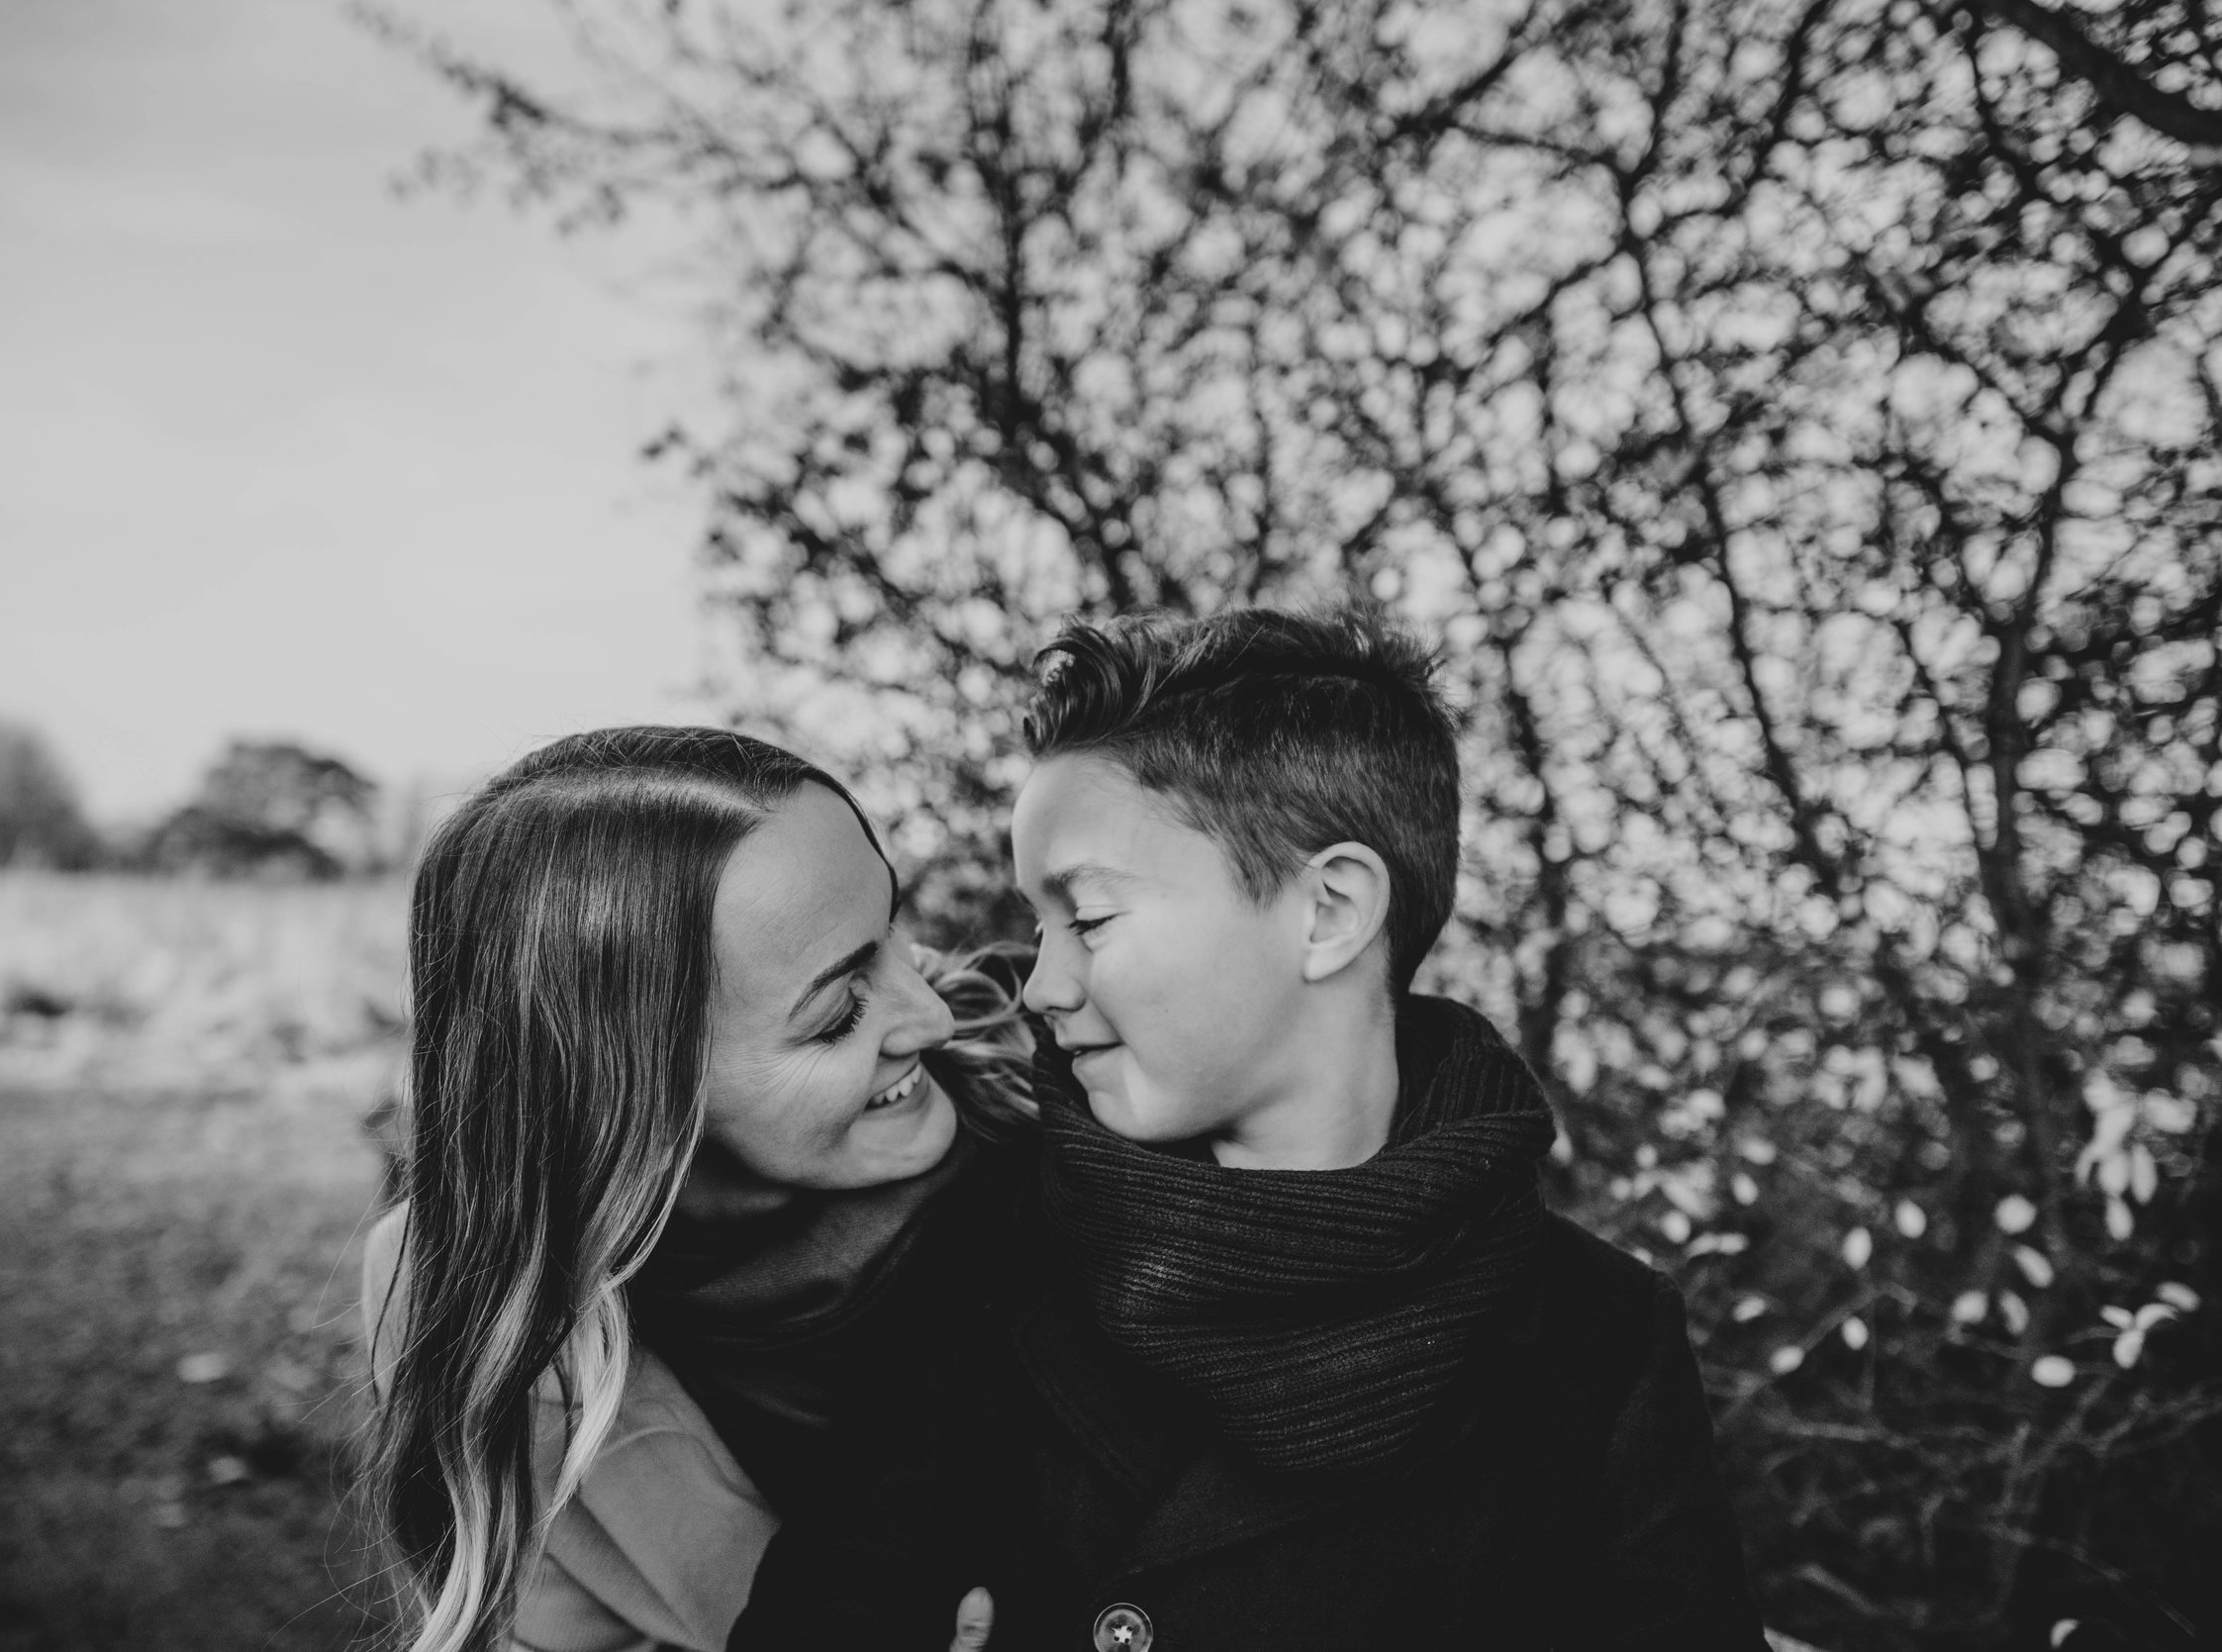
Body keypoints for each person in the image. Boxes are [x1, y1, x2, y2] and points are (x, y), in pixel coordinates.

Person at [990, 607, 1770, 1651]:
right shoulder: (980, 1248)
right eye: (1037, 927)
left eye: (1085, 918)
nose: (1038, 984)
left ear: (1329, 911)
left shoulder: (1600, 1340)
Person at [358, 726, 1029, 1652]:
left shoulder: (1068, 1132)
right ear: (629, 1096)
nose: (933, 1015)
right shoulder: (487, 1309)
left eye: (895, 934)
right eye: (836, 1015)